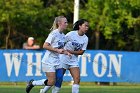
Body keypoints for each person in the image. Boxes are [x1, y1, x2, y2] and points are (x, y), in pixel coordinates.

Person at [41, 19, 89, 93]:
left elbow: (81, 52)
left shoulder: (85, 38)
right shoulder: (71, 34)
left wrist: (70, 51)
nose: (87, 28)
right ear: (79, 26)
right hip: (63, 58)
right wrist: (61, 51)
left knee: (77, 78)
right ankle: (43, 91)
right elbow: (61, 42)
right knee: (58, 79)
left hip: (73, 60)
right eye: (85, 26)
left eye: (87, 26)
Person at [26, 16, 71, 93]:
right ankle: (33, 83)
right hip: (48, 61)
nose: (67, 24)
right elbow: (45, 45)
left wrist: (66, 52)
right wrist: (57, 50)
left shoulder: (63, 36)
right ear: (59, 23)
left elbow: (60, 49)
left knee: (60, 78)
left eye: (67, 22)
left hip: (57, 61)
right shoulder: (53, 33)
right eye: (65, 22)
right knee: (51, 82)